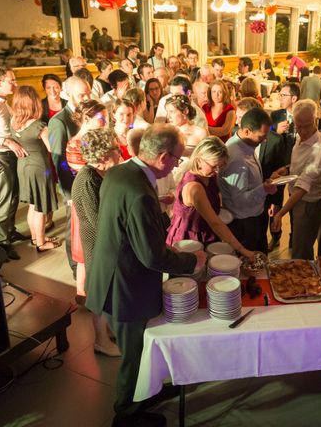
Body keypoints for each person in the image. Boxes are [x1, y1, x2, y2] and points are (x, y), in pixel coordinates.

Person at [86, 125, 205, 427]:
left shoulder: (120, 172)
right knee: (134, 353)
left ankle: (143, 394)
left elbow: (126, 228)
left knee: (138, 347)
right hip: (125, 285)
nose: (177, 164)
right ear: (163, 156)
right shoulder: (140, 193)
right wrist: (193, 261)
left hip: (115, 273)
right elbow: (151, 257)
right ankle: (126, 413)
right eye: (177, 159)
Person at [71, 128, 121, 357]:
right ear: (102, 155)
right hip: (96, 244)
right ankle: (100, 341)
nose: (119, 151)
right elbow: (99, 219)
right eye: (114, 148)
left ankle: (107, 331)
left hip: (102, 242)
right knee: (99, 291)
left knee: (107, 289)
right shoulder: (88, 179)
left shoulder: (99, 174)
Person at [166, 136, 255, 258]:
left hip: (205, 231)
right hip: (190, 238)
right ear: (198, 161)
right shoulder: (194, 188)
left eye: (221, 166)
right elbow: (215, 223)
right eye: (214, 166)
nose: (217, 171)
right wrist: (242, 249)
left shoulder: (209, 176)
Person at [271, 100, 321, 259]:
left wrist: (280, 213)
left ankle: (304, 281)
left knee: (301, 251)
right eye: (298, 125)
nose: (302, 131)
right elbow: (300, 164)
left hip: (308, 203)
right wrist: (286, 169)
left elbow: (303, 187)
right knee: (298, 243)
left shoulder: (319, 151)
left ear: (316, 120)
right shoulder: (300, 136)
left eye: (306, 125)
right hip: (297, 198)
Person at [219, 107, 277, 252]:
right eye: (261, 136)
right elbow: (239, 201)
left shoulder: (246, 144)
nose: (265, 141)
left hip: (253, 216)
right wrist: (263, 189)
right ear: (246, 131)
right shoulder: (236, 159)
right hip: (243, 223)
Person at [49, 76, 91, 274]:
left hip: (88, 180)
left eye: (88, 93)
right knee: (73, 226)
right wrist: (69, 193)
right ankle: (75, 266)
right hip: (73, 185)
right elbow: (59, 161)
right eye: (82, 94)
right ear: (70, 94)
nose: (86, 97)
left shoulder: (85, 115)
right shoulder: (58, 121)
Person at [10, 86, 59, 252]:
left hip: (23, 166)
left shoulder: (14, 122)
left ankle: (36, 237)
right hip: (38, 167)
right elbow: (52, 148)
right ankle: (41, 243)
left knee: (32, 205)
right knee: (40, 207)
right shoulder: (39, 126)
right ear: (34, 103)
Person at [65, 100, 109, 174]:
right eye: (101, 118)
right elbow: (87, 175)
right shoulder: (74, 147)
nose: (105, 123)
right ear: (86, 118)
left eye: (106, 118)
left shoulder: (98, 139)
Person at [164, 94, 208, 158]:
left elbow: (207, 157)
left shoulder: (200, 133)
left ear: (185, 111)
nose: (168, 116)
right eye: (167, 112)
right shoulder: (165, 131)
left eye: (172, 112)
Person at [270, 82, 299, 162]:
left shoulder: (304, 117)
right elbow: (268, 132)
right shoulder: (275, 115)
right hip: (279, 159)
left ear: (294, 99)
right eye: (280, 95)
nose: (280, 98)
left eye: (283, 96)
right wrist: (276, 131)